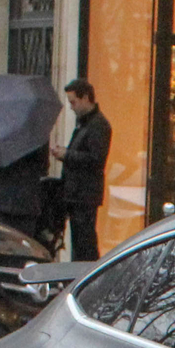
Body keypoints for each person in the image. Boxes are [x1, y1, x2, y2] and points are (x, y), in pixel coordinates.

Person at [59, 79, 110, 262]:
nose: (71, 107)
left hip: (85, 195)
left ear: (86, 98)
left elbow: (96, 159)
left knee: (85, 243)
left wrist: (67, 155)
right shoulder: (84, 123)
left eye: (73, 102)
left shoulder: (98, 125)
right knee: (79, 242)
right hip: (76, 193)